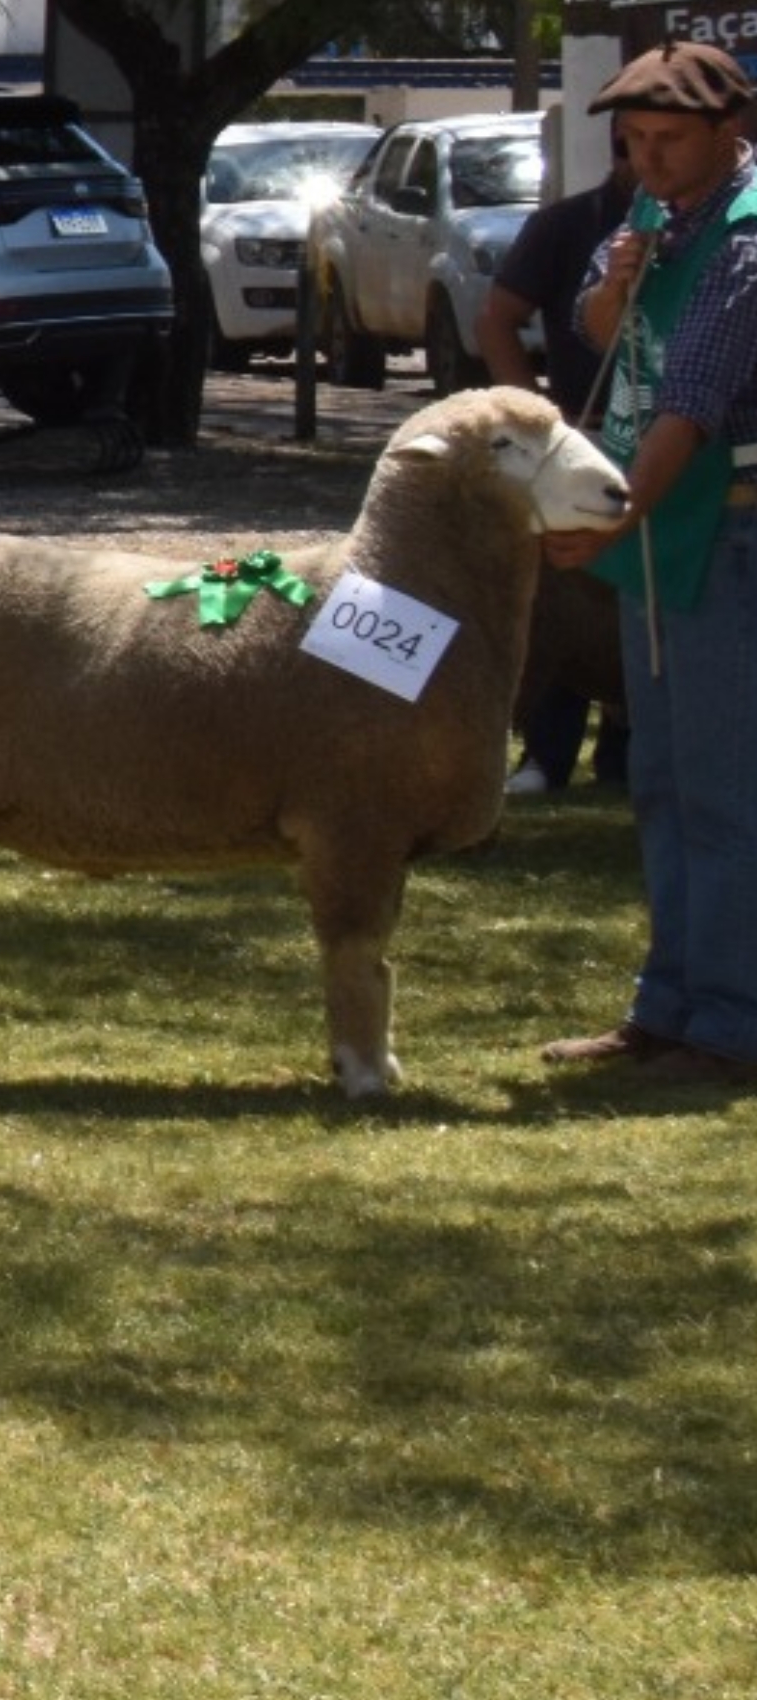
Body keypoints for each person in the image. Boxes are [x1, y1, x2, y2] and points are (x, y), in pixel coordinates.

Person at [539, 41, 757, 1087]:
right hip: (669, 532)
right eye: (631, 143)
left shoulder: (745, 237)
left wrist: (616, 519)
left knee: (722, 789)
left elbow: (693, 404)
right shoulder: (649, 222)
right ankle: (667, 1004)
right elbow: (592, 333)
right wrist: (614, 289)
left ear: (730, 130)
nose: (649, 160)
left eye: (668, 140)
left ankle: (728, 1021)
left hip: (721, 527)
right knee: (664, 783)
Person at [477, 134, 634, 797]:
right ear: (619, 155)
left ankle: (626, 760)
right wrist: (540, 422)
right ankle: (543, 755)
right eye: (642, 148)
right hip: (583, 432)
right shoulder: (566, 225)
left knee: (638, 600)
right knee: (554, 596)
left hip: (673, 440)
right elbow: (496, 321)